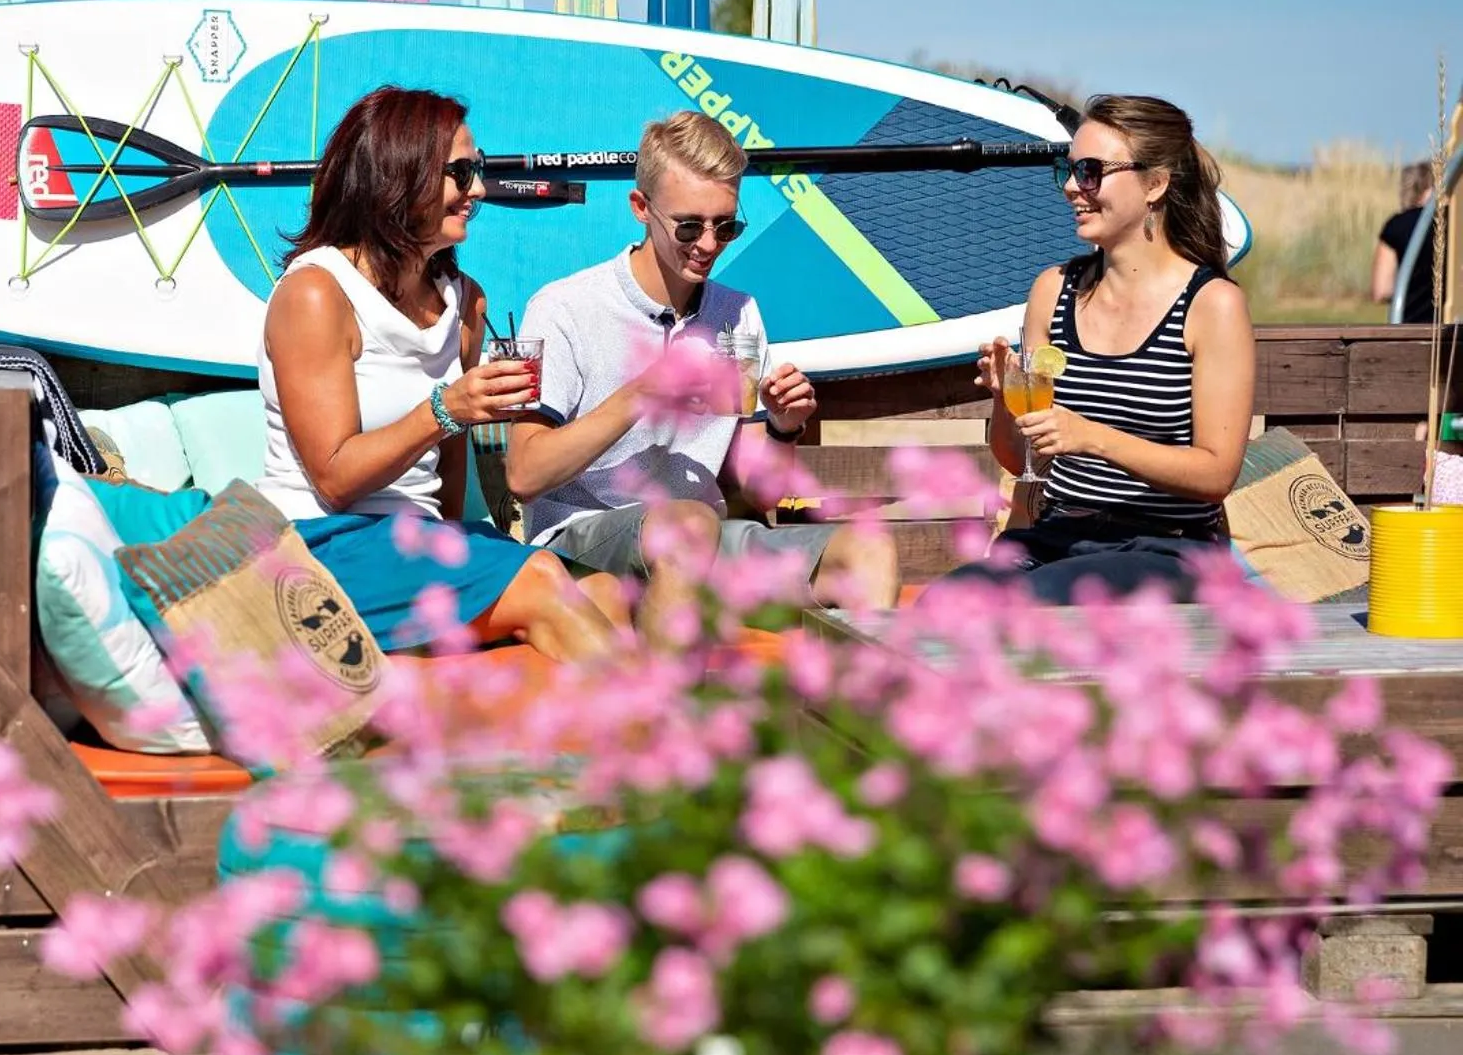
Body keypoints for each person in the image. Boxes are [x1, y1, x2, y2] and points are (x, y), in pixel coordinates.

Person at [255, 85, 630, 662]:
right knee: (542, 585)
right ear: (400, 177)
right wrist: (445, 409)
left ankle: (550, 748)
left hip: (415, 542)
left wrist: (459, 549)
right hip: (321, 545)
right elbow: (333, 478)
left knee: (603, 591)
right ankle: (674, 743)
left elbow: (448, 469)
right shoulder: (316, 293)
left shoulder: (464, 304)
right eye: (461, 171)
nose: (478, 188)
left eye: (476, 169)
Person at [501, 110, 901, 638]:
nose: (709, 244)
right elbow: (524, 476)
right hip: (584, 548)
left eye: (726, 225)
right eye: (689, 225)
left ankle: (856, 718)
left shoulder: (738, 314)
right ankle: (671, 718)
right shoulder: (566, 307)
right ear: (641, 208)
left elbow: (758, 491)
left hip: (702, 541)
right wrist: (643, 392)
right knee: (688, 526)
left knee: (869, 548)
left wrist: (784, 425)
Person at [933, 93, 1256, 605]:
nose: (1070, 186)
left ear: (1155, 184)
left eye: (1090, 171)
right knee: (945, 603)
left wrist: (1091, 436)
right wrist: (1006, 398)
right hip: (1062, 536)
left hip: (1171, 550)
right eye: (1068, 168)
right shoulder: (1053, 291)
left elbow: (1216, 473)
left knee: (1032, 606)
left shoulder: (1211, 305)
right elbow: (1019, 461)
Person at [1373, 160, 1438, 324]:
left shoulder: (1397, 226)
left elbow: (1381, 290)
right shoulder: (1453, 225)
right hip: (1451, 333)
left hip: (1408, 329)